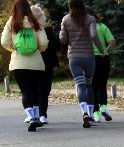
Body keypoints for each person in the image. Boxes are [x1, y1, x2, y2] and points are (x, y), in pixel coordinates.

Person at [1, 0, 48, 132]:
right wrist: (37, 49)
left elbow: (4, 41)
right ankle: (37, 117)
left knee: (26, 91)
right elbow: (44, 42)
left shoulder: (12, 21)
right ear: (28, 8)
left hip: (18, 63)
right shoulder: (35, 21)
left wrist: (15, 49)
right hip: (36, 63)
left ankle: (31, 117)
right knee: (35, 91)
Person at [59, 0, 104, 128]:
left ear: (70, 6)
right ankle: (89, 115)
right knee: (89, 85)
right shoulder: (90, 19)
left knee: (80, 84)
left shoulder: (66, 19)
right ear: (82, 5)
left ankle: (84, 112)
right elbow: (94, 35)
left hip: (74, 57)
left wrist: (65, 35)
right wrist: (101, 50)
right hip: (89, 57)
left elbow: (62, 39)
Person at [30, 4, 60, 124]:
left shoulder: (27, 32)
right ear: (42, 17)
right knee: (44, 90)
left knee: (32, 89)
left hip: (31, 63)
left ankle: (33, 114)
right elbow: (57, 45)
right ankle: (43, 115)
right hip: (47, 63)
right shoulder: (47, 30)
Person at [86, 7, 116, 123]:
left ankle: (95, 113)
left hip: (88, 59)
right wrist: (105, 51)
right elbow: (112, 42)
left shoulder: (83, 28)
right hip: (103, 59)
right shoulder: (102, 26)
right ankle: (103, 106)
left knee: (91, 86)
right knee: (102, 84)